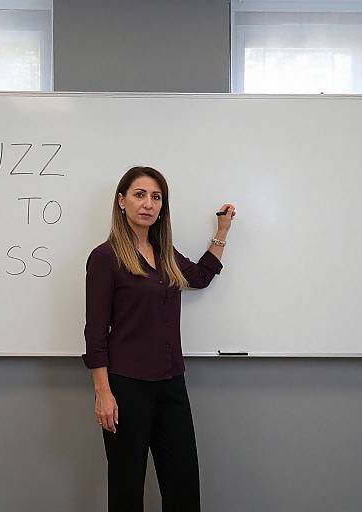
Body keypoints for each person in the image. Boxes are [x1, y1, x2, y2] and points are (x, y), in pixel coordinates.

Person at [82, 166, 236, 512]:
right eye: (139, 195)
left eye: (156, 197)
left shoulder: (164, 253)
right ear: (121, 201)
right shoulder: (105, 257)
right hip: (125, 388)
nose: (148, 204)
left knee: (183, 489)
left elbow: (199, 276)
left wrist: (221, 231)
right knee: (127, 490)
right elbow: (95, 333)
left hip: (170, 384)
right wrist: (103, 393)